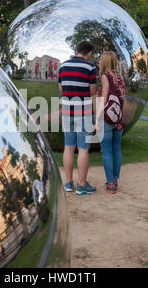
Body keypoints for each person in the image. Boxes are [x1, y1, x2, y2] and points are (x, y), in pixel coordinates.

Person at [58, 40, 97, 195]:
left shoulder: (63, 66)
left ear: (77, 50)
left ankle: (68, 183)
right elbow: (93, 90)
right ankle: (81, 185)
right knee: (83, 149)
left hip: (67, 112)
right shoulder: (90, 67)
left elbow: (61, 87)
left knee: (68, 147)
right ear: (89, 53)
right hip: (84, 112)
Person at [95, 51, 125, 194]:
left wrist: (97, 118)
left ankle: (111, 183)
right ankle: (115, 179)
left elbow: (103, 99)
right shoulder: (120, 77)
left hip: (106, 118)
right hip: (119, 118)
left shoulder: (105, 76)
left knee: (106, 151)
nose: (99, 61)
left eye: (101, 59)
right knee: (116, 149)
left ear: (105, 61)